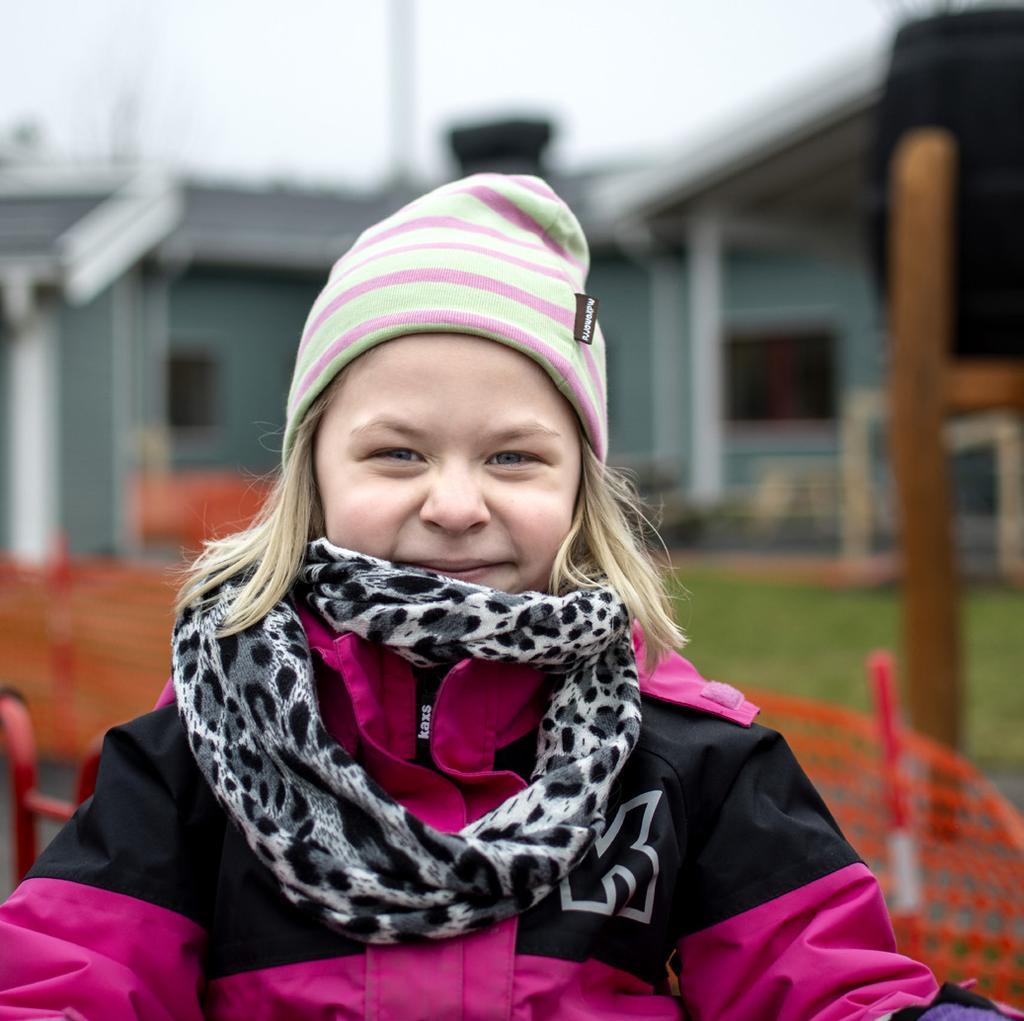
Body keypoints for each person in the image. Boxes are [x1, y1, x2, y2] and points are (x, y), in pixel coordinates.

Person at [0, 174, 1016, 1021]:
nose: (453, 503)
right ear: (314, 470)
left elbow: (824, 986)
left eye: (513, 457)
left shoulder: (684, 760)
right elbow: (72, 974)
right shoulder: (209, 750)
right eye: (397, 452)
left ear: (581, 485)